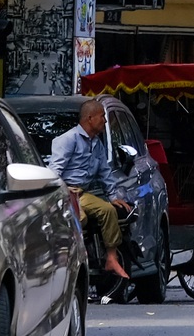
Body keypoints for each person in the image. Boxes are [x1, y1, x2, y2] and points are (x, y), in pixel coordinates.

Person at [47, 96, 131, 282]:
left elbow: (105, 172)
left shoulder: (96, 143)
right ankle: (73, 259)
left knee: (109, 211)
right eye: (102, 116)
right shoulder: (68, 140)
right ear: (90, 118)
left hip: (83, 193)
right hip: (66, 192)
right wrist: (62, 193)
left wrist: (112, 196)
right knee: (80, 218)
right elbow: (54, 172)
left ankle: (111, 257)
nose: (105, 121)